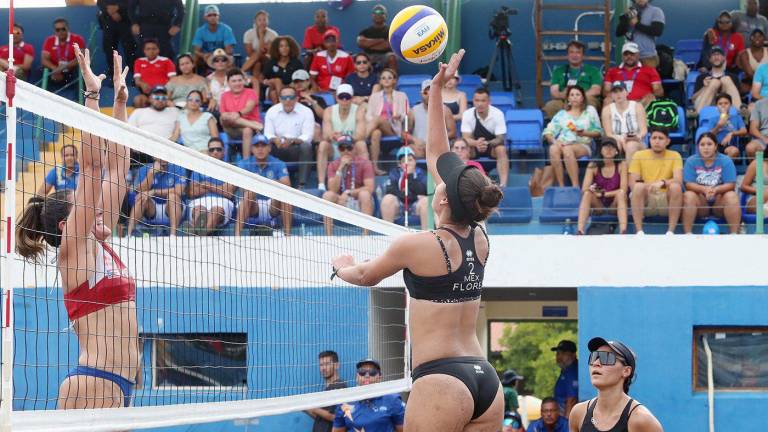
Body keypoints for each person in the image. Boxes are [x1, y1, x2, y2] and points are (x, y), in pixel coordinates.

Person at [331, 50, 506, 431]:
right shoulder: (481, 237)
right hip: (485, 381)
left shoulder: (417, 244)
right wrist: (436, 92)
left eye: (442, 181)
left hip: (441, 378)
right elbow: (440, 152)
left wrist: (341, 267)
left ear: (442, 199)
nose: (438, 174)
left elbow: (365, 277)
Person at [17, 46, 136, 409]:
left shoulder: (100, 244)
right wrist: (91, 96)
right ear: (69, 225)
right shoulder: (75, 249)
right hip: (94, 381)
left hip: (119, 383)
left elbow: (117, 170)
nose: (100, 211)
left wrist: (118, 105)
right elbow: (94, 169)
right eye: (90, 211)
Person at [568, 337, 663, 432]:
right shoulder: (578, 413)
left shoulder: (641, 420)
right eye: (594, 357)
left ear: (626, 371)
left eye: (606, 358)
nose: (596, 363)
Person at [542, 86, 603, 188]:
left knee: (567, 150)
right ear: (568, 99)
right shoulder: (562, 114)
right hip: (563, 143)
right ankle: (561, 186)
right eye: (572, 95)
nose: (574, 97)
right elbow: (548, 131)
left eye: (577, 95)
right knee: (553, 149)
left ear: (583, 98)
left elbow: (598, 132)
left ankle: (575, 186)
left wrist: (584, 133)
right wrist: (554, 141)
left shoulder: (589, 112)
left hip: (583, 144)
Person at [682, 132, 740, 234]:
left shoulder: (726, 160)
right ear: (698, 147)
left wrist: (716, 189)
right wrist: (704, 189)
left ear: (716, 146)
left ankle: (734, 234)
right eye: (702, 145)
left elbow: (731, 184)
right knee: (688, 195)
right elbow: (688, 184)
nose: (706, 148)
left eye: (709, 144)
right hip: (701, 202)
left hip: (719, 202)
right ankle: (688, 234)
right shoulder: (691, 161)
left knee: (732, 196)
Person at [629, 127, 683, 235]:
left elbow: (678, 180)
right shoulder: (639, 155)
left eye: (660, 138)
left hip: (665, 198)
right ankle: (639, 232)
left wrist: (662, 183)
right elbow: (632, 183)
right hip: (646, 197)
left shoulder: (675, 155)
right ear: (650, 140)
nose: (657, 141)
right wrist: (650, 186)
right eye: (654, 138)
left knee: (676, 187)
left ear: (667, 141)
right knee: (638, 187)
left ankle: (670, 232)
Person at [234, 134, 292, 236]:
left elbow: (287, 185)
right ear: (252, 148)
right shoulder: (243, 163)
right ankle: (237, 236)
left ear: (269, 148)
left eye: (263, 146)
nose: (260, 149)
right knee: (248, 194)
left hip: (272, 204)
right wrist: (272, 183)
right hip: (252, 205)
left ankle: (288, 236)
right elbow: (242, 188)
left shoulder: (278, 163)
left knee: (285, 194)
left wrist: (258, 182)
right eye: (257, 146)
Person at [332, 359, 405, 432]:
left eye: (372, 372)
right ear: (357, 377)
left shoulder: (393, 400)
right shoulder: (344, 402)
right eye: (362, 372)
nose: (367, 375)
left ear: (379, 377)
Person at [322, 135, 375, 235]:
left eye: (349, 148)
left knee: (365, 194)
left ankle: (366, 235)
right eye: (342, 148)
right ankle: (328, 236)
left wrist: (349, 192)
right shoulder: (333, 164)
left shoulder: (364, 163)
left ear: (354, 148)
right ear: (338, 150)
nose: (346, 151)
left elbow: (370, 188)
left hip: (359, 200)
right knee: (327, 195)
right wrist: (340, 168)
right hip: (341, 201)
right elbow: (332, 189)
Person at [318, 84, 366, 190]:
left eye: (347, 97)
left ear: (352, 98)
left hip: (352, 147)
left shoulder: (359, 110)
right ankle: (321, 183)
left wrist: (343, 137)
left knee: (361, 144)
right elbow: (326, 134)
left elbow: (361, 134)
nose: (344, 100)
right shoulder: (329, 111)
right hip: (335, 147)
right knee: (323, 145)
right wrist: (333, 136)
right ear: (336, 98)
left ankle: (365, 180)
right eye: (341, 97)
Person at [264, 86, 315, 188]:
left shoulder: (306, 111)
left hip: (296, 148)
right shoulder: (272, 111)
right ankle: (268, 183)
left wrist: (292, 141)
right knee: (263, 145)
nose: (288, 100)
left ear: (296, 98)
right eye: (284, 97)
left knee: (306, 146)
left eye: (291, 97)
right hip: (277, 147)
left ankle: (302, 184)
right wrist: (275, 139)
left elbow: (308, 136)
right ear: (279, 99)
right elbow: (267, 134)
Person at [577, 138, 628, 235]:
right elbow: (584, 189)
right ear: (601, 150)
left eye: (612, 147)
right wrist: (594, 190)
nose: (608, 149)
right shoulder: (593, 165)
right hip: (598, 205)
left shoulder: (622, 165)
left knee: (621, 194)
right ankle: (580, 230)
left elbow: (623, 190)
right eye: (605, 147)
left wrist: (604, 193)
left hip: (614, 204)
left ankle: (623, 231)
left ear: (616, 151)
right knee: (587, 194)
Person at [461, 87, 510, 185]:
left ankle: (503, 184)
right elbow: (465, 138)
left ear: (489, 101)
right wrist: (476, 143)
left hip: (492, 147)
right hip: (474, 147)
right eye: (477, 100)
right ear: (473, 101)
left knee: (501, 149)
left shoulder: (498, 114)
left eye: (483, 100)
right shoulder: (467, 114)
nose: (480, 104)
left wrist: (486, 143)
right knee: (462, 149)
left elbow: (500, 138)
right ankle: (463, 182)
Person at [185, 137, 235, 235]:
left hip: (223, 201)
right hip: (200, 201)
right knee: (199, 210)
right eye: (212, 150)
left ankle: (196, 233)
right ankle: (201, 233)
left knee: (216, 211)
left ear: (224, 151)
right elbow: (192, 192)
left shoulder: (230, 168)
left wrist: (207, 185)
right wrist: (219, 188)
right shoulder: (199, 168)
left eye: (218, 149)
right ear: (208, 152)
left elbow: (228, 193)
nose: (215, 152)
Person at [543, 40, 603, 119]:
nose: (574, 55)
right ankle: (564, 127)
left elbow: (596, 90)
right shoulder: (558, 71)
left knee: (590, 103)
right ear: (567, 55)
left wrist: (578, 97)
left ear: (583, 55)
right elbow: (554, 92)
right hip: (564, 99)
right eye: (571, 52)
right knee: (550, 106)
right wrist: (563, 95)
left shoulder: (593, 70)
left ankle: (585, 128)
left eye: (578, 52)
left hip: (586, 98)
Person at [366, 68, 410, 174]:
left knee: (377, 119)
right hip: (377, 127)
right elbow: (368, 116)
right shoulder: (374, 96)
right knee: (376, 133)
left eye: (389, 78)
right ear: (380, 81)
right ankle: (375, 168)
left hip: (393, 128)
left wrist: (399, 116)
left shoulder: (401, 95)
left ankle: (360, 139)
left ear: (394, 81)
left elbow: (407, 113)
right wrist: (376, 121)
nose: (386, 80)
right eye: (383, 78)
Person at [127, 158, 186, 236]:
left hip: (172, 207)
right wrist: (151, 173)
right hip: (152, 209)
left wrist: (154, 192)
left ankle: (173, 235)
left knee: (173, 197)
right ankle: (129, 234)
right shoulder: (144, 169)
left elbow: (179, 191)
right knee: (141, 197)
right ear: (154, 157)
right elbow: (139, 191)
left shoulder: (178, 168)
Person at [127, 85, 179, 166]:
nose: (160, 100)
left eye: (163, 98)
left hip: (168, 151)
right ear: (150, 98)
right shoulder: (139, 112)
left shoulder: (174, 111)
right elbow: (129, 132)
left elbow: (179, 131)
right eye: (157, 97)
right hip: (143, 152)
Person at [219, 68, 262, 159]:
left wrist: (238, 114)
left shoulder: (251, 92)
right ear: (228, 83)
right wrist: (234, 116)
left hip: (249, 129)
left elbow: (249, 107)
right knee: (224, 118)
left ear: (244, 81)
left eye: (239, 80)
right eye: (234, 81)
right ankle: (256, 126)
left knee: (247, 130)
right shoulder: (224, 95)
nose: (237, 83)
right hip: (232, 128)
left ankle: (246, 162)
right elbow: (223, 115)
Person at [381, 147, 429, 228]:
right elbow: (390, 190)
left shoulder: (422, 173)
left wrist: (409, 175)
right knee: (388, 199)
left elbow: (423, 191)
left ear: (415, 162)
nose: (408, 163)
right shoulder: (394, 173)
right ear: (399, 164)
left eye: (410, 160)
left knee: (426, 201)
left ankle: (426, 235)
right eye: (404, 161)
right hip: (399, 205)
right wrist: (407, 196)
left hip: (416, 206)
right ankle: (388, 235)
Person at [603, 42, 663, 106]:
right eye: (626, 54)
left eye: (632, 54)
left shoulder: (650, 70)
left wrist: (651, 95)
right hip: (618, 102)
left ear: (638, 55)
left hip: (642, 102)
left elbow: (659, 90)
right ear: (622, 56)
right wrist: (611, 95)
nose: (629, 56)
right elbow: (606, 91)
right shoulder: (612, 71)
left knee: (650, 99)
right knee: (607, 100)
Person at [601, 81, 647, 163]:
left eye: (621, 91)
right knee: (613, 146)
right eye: (615, 92)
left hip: (636, 141)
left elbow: (643, 131)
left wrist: (636, 137)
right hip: (616, 140)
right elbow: (609, 134)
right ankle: (616, 174)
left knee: (630, 145)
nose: (618, 94)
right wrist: (622, 140)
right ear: (611, 95)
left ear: (626, 92)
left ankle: (630, 174)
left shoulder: (637, 106)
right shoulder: (607, 110)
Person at [408, 79, 456, 157]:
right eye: (426, 92)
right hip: (419, 148)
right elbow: (404, 133)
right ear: (421, 93)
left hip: (438, 147)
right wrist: (414, 140)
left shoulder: (445, 110)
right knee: (408, 151)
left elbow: (452, 132)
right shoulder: (413, 111)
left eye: (432, 91)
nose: (429, 95)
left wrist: (436, 140)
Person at [692, 46, 742, 114]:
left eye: (719, 54)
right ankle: (697, 118)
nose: (716, 57)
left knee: (726, 79)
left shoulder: (733, 77)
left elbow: (737, 97)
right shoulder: (701, 77)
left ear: (724, 58)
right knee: (714, 82)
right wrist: (705, 87)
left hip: (727, 105)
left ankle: (740, 115)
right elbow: (693, 99)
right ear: (709, 59)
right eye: (713, 55)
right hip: (708, 105)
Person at [615, 0, 665, 68]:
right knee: (628, 79)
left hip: (648, 58)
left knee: (647, 78)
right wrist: (624, 19)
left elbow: (657, 31)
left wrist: (636, 24)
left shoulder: (656, 11)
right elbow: (618, 33)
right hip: (630, 57)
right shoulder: (630, 12)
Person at [306, 350, 348, 432]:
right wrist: (307, 408)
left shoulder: (339, 386)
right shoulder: (328, 388)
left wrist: (313, 407)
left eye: (327, 364)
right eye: (321, 365)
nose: (323, 368)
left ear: (336, 365)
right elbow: (322, 417)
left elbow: (335, 417)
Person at [41, 18, 86, 88]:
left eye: (63, 29)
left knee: (82, 70)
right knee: (41, 69)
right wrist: (55, 69)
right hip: (55, 69)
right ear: (55, 31)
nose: (61, 32)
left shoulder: (78, 39)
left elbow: (80, 58)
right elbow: (44, 59)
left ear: (68, 28)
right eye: (58, 30)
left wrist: (63, 67)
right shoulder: (49, 40)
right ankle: (43, 95)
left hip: (71, 70)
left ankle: (80, 98)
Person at [97, 0, 136, 80]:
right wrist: (112, 12)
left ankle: (135, 77)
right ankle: (114, 78)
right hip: (108, 20)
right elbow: (100, 2)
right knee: (109, 50)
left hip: (126, 20)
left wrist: (118, 7)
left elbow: (132, 3)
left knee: (130, 49)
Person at [132, 38, 177, 107]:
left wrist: (165, 92)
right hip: (147, 94)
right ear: (144, 51)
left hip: (164, 93)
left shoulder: (166, 61)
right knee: (138, 100)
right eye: (148, 49)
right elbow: (137, 81)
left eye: (154, 48)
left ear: (158, 50)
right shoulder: (139, 61)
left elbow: (173, 80)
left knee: (169, 103)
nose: (151, 51)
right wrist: (142, 84)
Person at [192, 5, 236, 72]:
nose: (212, 17)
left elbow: (229, 51)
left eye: (215, 15)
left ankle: (230, 78)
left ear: (218, 16)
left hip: (222, 56)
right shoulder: (200, 31)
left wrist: (215, 56)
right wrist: (204, 55)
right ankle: (193, 79)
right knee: (194, 58)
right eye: (209, 15)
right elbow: (196, 51)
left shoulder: (226, 29)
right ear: (205, 17)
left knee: (230, 58)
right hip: (206, 57)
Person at [262, 36, 303, 104]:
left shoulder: (296, 62)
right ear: (277, 49)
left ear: (291, 48)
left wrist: (295, 83)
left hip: (292, 90)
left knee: (273, 94)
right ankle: (283, 103)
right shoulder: (271, 63)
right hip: (273, 88)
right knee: (277, 81)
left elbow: (303, 78)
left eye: (287, 46)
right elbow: (262, 78)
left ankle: (280, 106)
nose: (284, 48)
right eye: (281, 46)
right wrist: (265, 82)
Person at [357, 4, 398, 73]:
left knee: (392, 57)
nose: (378, 15)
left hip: (385, 56)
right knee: (360, 57)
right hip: (369, 55)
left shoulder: (390, 31)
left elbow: (387, 45)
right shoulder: (365, 31)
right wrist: (380, 40)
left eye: (381, 13)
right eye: (375, 13)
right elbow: (361, 43)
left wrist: (369, 44)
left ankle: (393, 80)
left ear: (385, 16)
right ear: (372, 16)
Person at [708, 93, 747, 160]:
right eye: (720, 104)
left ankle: (724, 167)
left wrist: (732, 133)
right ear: (716, 106)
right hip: (716, 146)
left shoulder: (737, 118)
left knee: (733, 151)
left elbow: (744, 131)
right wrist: (719, 125)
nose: (723, 105)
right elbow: (709, 136)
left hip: (731, 146)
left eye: (726, 103)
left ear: (731, 105)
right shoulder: (713, 119)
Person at [241, 10, 278, 81]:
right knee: (257, 64)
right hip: (253, 60)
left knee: (258, 53)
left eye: (264, 20)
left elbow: (268, 53)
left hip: (268, 60)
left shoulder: (273, 34)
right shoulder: (248, 33)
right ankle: (259, 86)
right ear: (255, 21)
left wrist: (261, 36)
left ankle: (240, 72)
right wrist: (260, 52)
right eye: (259, 20)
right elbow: (249, 53)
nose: (262, 22)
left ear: (268, 21)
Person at [551, 340, 579, 418]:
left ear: (573, 355)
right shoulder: (565, 370)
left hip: (566, 419)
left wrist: (566, 425)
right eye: (558, 353)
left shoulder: (572, 371)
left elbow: (572, 400)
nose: (559, 357)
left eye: (563, 354)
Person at [204, 48, 232, 114]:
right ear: (213, 64)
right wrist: (211, 99)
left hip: (233, 109)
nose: (220, 62)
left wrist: (255, 98)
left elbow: (254, 80)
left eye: (223, 60)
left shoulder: (233, 76)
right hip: (215, 110)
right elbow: (207, 97)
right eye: (216, 60)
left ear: (227, 62)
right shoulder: (208, 79)